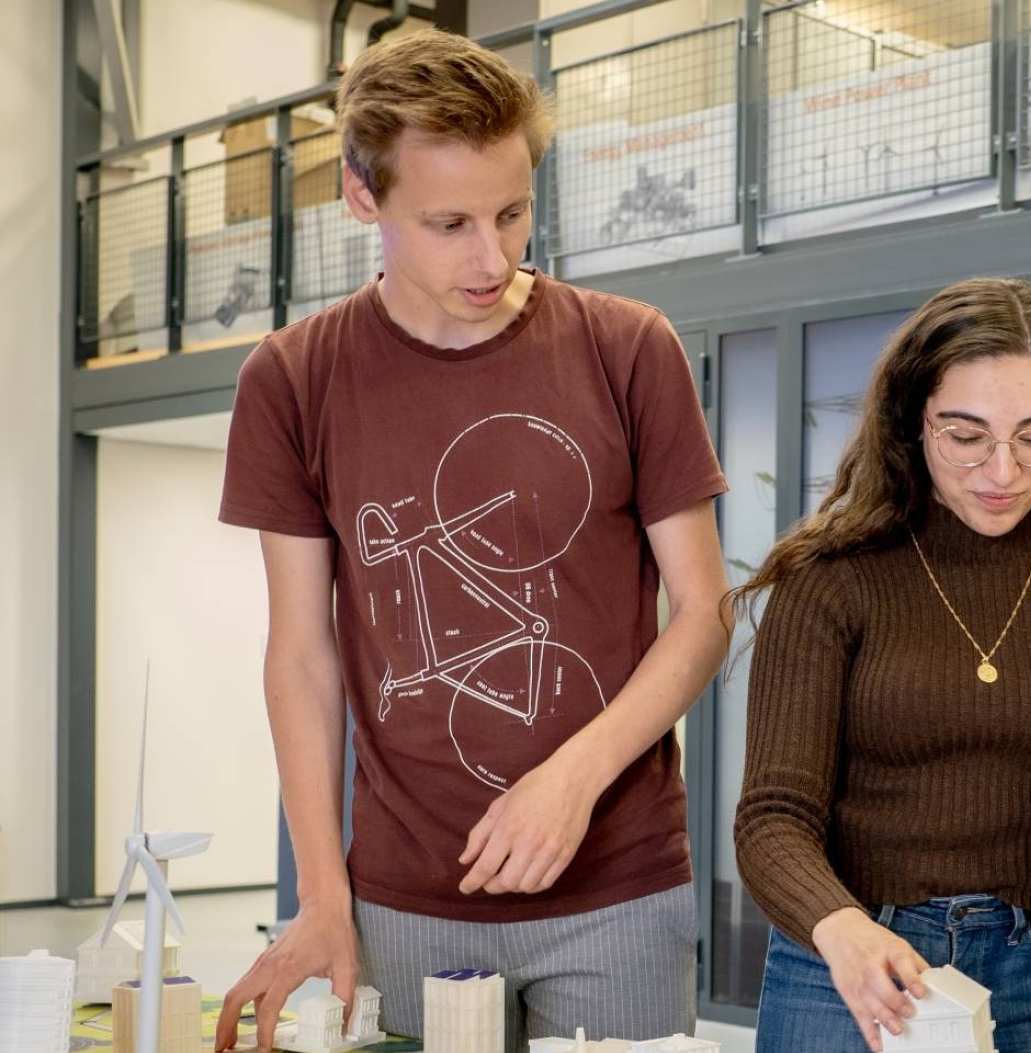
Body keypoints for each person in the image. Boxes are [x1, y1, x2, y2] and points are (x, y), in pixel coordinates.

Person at [214, 29, 730, 1049]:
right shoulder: (293, 378)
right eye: (447, 223)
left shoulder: (629, 347)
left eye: (511, 212)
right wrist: (324, 895)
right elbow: (302, 656)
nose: (491, 258)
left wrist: (571, 781)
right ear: (363, 199)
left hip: (618, 890)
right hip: (407, 897)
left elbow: (705, 610)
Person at [731, 278, 1031, 1053]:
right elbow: (771, 820)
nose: (1003, 471)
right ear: (912, 424)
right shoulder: (831, 577)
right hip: (857, 955)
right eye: (966, 436)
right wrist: (842, 931)